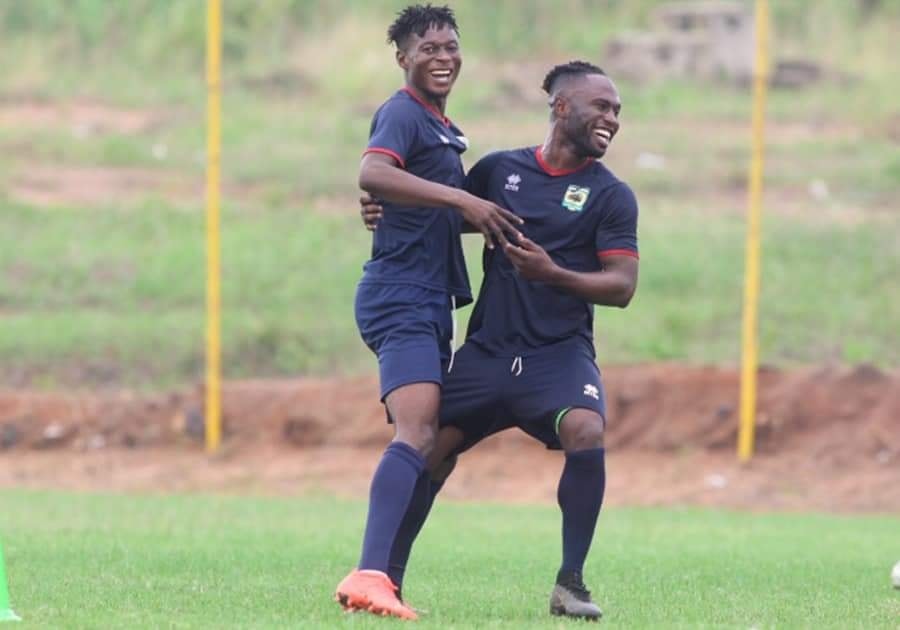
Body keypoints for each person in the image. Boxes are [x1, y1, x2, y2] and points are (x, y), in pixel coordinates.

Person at [361, 60, 639, 620]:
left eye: (616, 111)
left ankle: (570, 584)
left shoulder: (611, 195)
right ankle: (383, 581)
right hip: (488, 352)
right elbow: (444, 210)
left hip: (557, 355)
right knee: (428, 447)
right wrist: (380, 206)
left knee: (586, 429)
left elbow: (622, 286)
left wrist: (553, 273)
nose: (612, 119)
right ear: (561, 107)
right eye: (601, 107)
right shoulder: (500, 171)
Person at [334, 4, 522, 621]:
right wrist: (461, 199)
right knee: (416, 434)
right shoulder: (403, 113)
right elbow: (372, 171)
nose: (443, 57)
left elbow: (410, 198)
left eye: (451, 46)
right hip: (400, 295)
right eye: (429, 48)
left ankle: (385, 581)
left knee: (437, 446)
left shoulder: (442, 127)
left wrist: (484, 215)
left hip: (429, 297)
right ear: (403, 58)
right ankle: (369, 574)